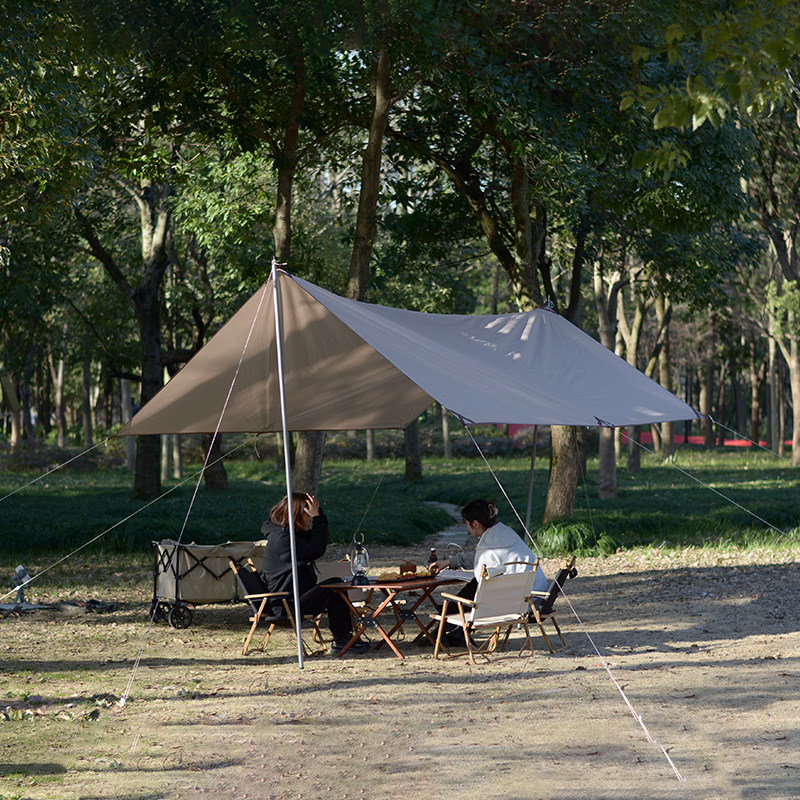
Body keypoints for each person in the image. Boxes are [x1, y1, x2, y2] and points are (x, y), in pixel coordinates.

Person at [261, 492, 369, 655]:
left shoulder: (288, 534)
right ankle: (342, 640)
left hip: (293, 597)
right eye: (309, 515)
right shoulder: (282, 539)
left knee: (334, 586)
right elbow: (316, 548)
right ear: (298, 515)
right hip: (285, 604)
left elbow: (315, 540)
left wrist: (319, 515)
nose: (311, 520)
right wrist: (318, 519)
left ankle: (344, 639)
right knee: (333, 587)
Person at [431, 498, 548, 598]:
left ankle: (447, 613)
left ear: (475, 524)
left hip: (519, 602)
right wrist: (449, 562)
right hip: (538, 595)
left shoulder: (487, 547)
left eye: (467, 524)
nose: (467, 528)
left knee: (474, 587)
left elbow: (481, 581)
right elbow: (477, 555)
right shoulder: (505, 532)